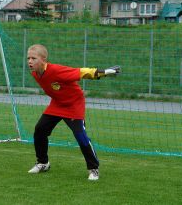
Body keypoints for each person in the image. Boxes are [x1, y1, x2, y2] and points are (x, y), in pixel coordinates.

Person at [26, 44, 120, 181]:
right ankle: (43, 163)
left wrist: (104, 72)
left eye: (33, 58)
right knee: (40, 129)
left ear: (44, 59)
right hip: (57, 104)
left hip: (73, 104)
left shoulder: (57, 70)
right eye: (28, 58)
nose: (29, 61)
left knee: (80, 136)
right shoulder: (35, 73)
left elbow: (82, 72)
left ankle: (94, 169)